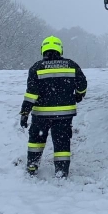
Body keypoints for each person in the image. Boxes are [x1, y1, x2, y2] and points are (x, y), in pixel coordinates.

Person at [19, 36, 87, 178]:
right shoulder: (71, 65)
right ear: (60, 49)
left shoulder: (36, 68)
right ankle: (61, 171)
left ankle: (32, 165)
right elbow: (82, 84)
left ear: (43, 50)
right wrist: (79, 95)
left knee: (36, 140)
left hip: (40, 115)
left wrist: (25, 113)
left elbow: (31, 94)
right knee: (62, 142)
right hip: (64, 115)